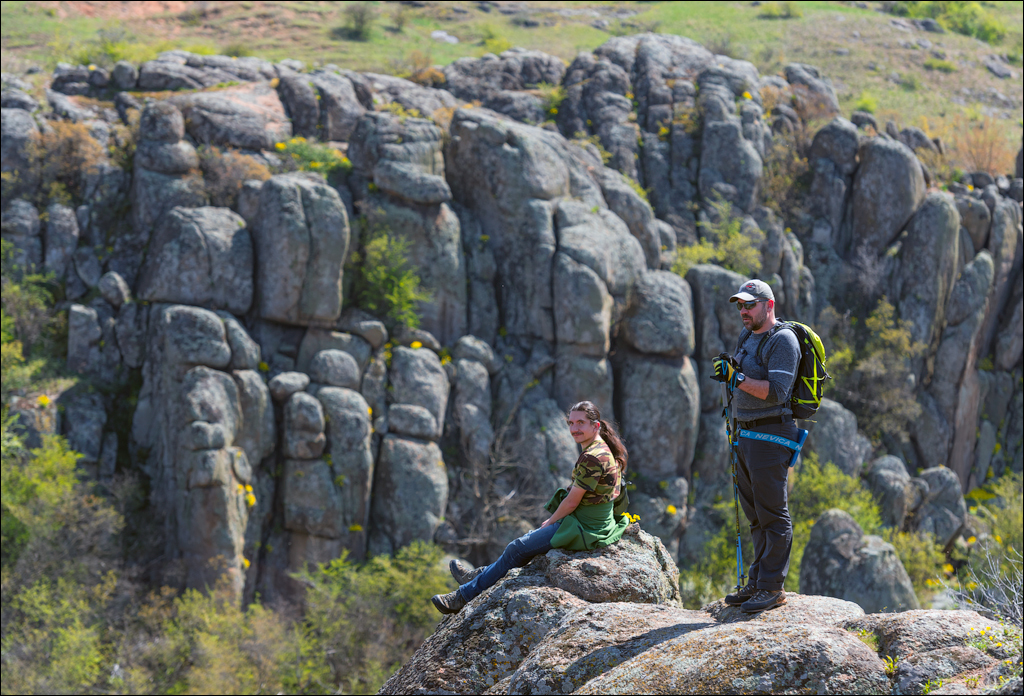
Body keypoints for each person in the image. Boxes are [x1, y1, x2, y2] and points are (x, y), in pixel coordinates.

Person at [432, 400, 630, 615]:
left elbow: (572, 501)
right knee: (525, 543)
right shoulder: (601, 448)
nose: (574, 429)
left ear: (596, 425)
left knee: (517, 547)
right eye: (571, 423)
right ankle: (479, 576)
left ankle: (463, 596)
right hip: (592, 519)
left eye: (580, 423)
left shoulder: (592, 456)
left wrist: (551, 522)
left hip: (585, 526)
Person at [711, 279, 801, 614]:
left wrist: (736, 378)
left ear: (769, 305)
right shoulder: (747, 336)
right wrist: (729, 371)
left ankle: (772, 587)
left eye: (750, 305)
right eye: (740, 306)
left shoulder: (783, 340)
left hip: (772, 434)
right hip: (745, 434)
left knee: (773, 514)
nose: (744, 311)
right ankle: (758, 580)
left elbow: (777, 391)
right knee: (754, 514)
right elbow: (741, 377)